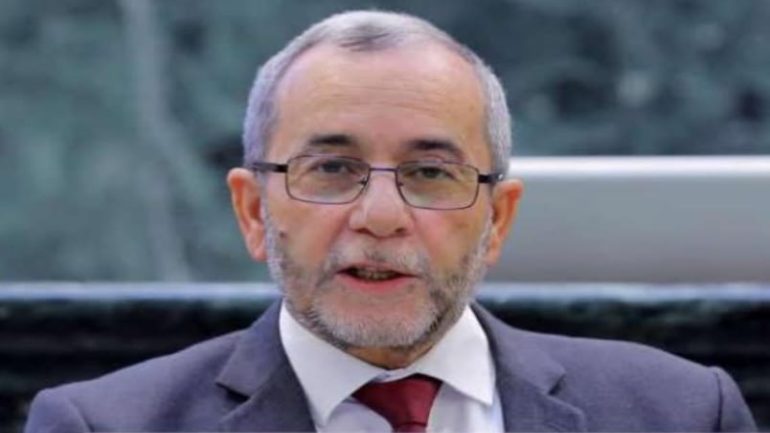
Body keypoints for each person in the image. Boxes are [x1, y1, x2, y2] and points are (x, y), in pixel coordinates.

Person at [25, 10, 756, 433]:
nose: (380, 217)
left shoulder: (682, 412)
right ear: (253, 210)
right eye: (331, 169)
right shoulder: (103, 425)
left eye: (430, 173)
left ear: (498, 220)